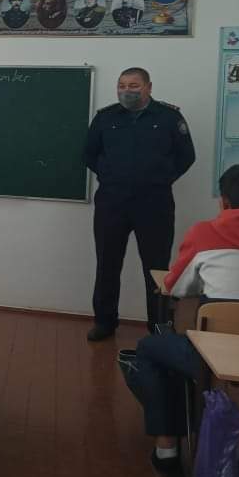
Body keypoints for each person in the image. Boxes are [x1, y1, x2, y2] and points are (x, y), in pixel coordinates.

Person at [123, 165, 239, 477]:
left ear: (224, 202)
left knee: (150, 348)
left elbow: (175, 286)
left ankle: (167, 450)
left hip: (212, 362)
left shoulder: (204, 234)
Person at [84, 68, 195, 341]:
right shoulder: (105, 117)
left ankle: (158, 326)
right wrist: (111, 176)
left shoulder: (169, 117)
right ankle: (104, 322)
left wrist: (160, 179)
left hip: (154, 204)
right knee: (107, 265)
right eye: (121, 85)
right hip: (112, 203)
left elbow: (186, 156)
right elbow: (89, 154)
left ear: (148, 87)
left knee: (156, 269)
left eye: (133, 85)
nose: (127, 90)